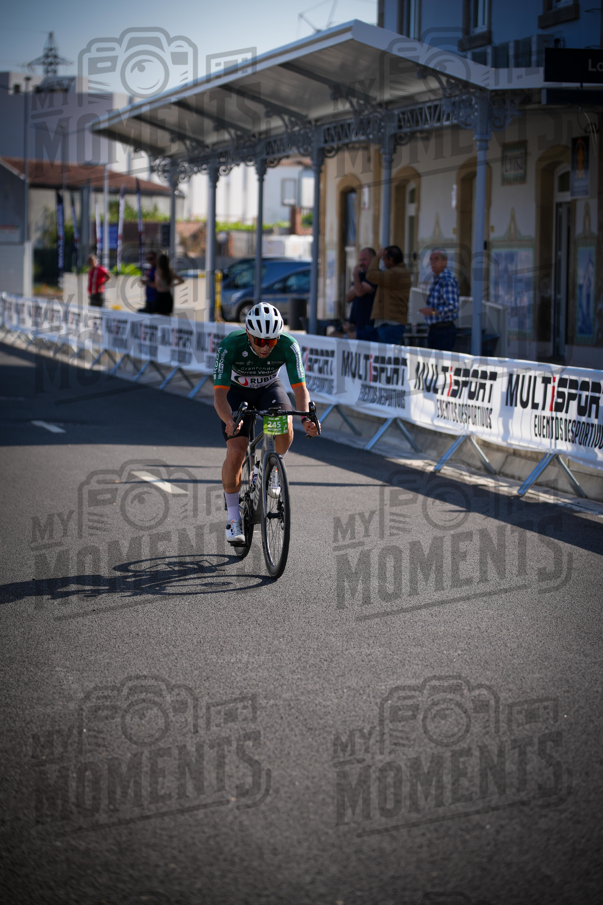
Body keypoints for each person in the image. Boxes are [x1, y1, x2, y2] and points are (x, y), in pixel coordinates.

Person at [213, 303, 320, 544]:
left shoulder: (288, 345)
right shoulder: (230, 345)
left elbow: (300, 389)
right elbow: (219, 395)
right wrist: (229, 420)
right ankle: (233, 518)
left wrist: (305, 418)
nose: (265, 347)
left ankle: (270, 468)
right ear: (248, 335)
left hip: (268, 389)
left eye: (271, 342)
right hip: (236, 394)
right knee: (236, 451)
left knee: (284, 426)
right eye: (259, 341)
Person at [355, 245, 411, 345]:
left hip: (390, 323)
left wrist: (377, 257)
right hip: (390, 323)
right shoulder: (398, 272)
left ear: (391, 260)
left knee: (389, 357)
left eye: (384, 259)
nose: (383, 262)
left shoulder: (395, 273)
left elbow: (371, 275)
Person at [419, 249, 460, 351]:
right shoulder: (437, 279)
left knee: (442, 365)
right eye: (431, 259)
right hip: (435, 329)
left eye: (436, 259)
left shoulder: (447, 280)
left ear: (445, 261)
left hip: (444, 330)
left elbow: (452, 306)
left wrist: (432, 311)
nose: (433, 262)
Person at [340, 246, 377, 337]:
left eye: (364, 260)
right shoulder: (360, 276)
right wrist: (359, 287)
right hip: (356, 323)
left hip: (368, 323)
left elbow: (359, 293)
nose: (361, 263)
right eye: (360, 260)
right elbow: (348, 298)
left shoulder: (375, 275)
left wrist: (354, 274)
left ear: (373, 260)